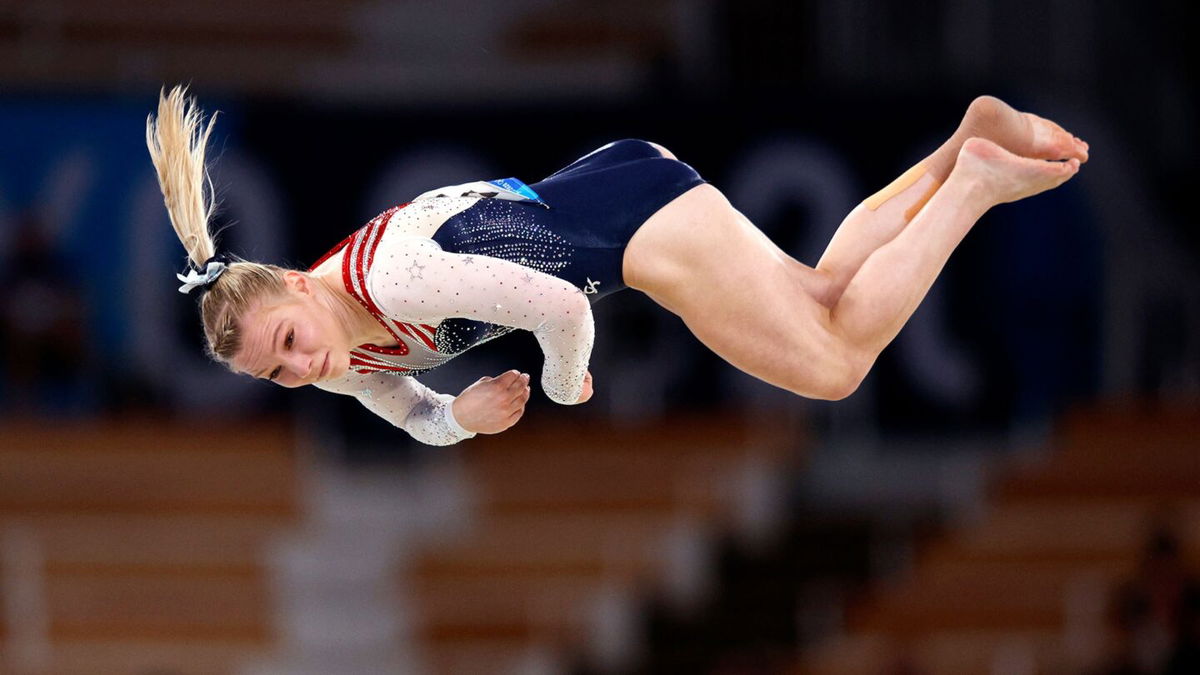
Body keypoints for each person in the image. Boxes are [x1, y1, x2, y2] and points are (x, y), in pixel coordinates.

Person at [146, 87, 1087, 445]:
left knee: (834, 363)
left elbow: (560, 308)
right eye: (276, 371)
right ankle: (962, 143)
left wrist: (562, 385)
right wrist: (459, 421)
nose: (298, 367)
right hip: (621, 197)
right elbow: (411, 412)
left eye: (287, 342)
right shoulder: (341, 350)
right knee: (826, 297)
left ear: (299, 283)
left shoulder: (396, 282)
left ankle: (972, 182)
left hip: (632, 232)